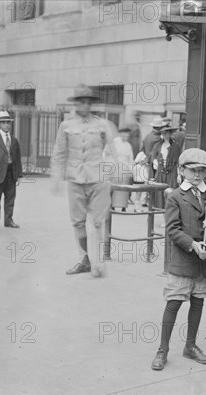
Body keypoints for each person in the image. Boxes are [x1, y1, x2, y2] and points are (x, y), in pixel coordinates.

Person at [151, 148, 206, 371]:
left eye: (201, 171)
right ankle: (163, 349)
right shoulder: (175, 196)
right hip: (183, 258)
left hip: (205, 259)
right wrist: (191, 244)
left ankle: (190, 346)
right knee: (174, 302)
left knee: (198, 301)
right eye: (192, 170)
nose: (197, 175)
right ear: (181, 170)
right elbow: (173, 229)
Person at [50, 84, 119, 278]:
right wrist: (56, 177)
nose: (86, 105)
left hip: (98, 180)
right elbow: (59, 153)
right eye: (82, 102)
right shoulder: (66, 126)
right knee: (78, 222)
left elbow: (113, 151)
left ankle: (98, 263)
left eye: (89, 102)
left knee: (98, 222)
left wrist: (115, 171)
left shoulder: (102, 125)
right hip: (75, 179)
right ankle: (85, 260)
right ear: (76, 104)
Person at [151, 126, 182, 209]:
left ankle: (169, 209)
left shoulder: (175, 146)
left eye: (167, 133)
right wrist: (155, 161)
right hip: (161, 171)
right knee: (159, 191)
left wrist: (179, 174)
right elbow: (154, 155)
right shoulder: (158, 145)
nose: (165, 135)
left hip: (172, 172)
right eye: (163, 133)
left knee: (171, 190)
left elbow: (178, 160)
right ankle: (160, 210)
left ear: (170, 134)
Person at [110, 127, 135, 212]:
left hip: (125, 168)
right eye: (123, 134)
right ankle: (112, 205)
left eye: (126, 135)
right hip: (115, 167)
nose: (125, 136)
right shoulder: (114, 142)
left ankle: (123, 206)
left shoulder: (128, 145)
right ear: (120, 134)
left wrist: (131, 169)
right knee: (115, 186)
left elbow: (131, 158)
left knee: (124, 187)